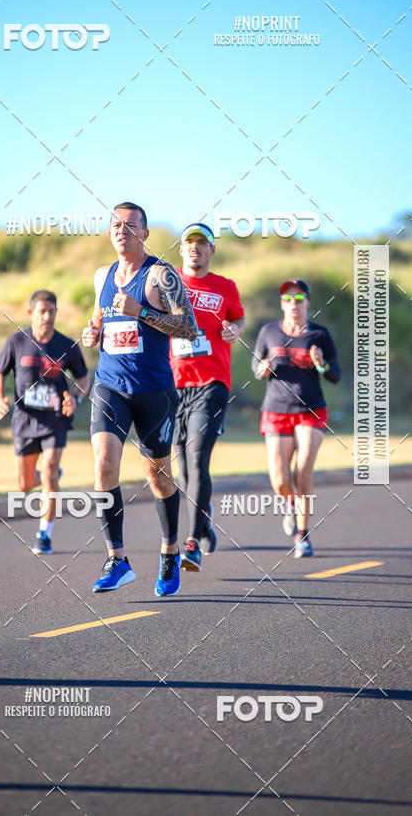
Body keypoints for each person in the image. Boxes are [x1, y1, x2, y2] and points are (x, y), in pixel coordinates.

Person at [81, 202, 197, 596]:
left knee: (158, 475)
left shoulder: (161, 276)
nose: (122, 230)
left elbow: (189, 327)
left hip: (153, 392)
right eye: (116, 224)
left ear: (145, 234)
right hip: (110, 385)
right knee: (103, 465)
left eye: (131, 225)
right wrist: (92, 333)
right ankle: (118, 559)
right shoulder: (102, 276)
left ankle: (168, 553)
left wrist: (142, 311)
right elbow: (99, 317)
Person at [170, 223, 245, 571]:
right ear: (181, 249)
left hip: (212, 382)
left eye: (202, 243)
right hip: (171, 386)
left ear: (212, 250)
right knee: (181, 471)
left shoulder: (225, 287)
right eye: (190, 243)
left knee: (198, 457)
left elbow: (239, 319)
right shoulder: (166, 282)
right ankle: (204, 518)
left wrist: (235, 330)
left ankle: (190, 542)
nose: (195, 248)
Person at [0, 290, 90, 554]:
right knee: (24, 484)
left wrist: (77, 400)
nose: (47, 316)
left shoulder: (66, 346)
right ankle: (53, 477)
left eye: (51, 311)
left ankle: (44, 534)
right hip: (24, 420)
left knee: (47, 472)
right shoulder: (16, 341)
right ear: (31, 313)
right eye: (42, 311)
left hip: (54, 420)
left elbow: (83, 380)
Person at [251, 279, 340, 557]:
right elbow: (256, 365)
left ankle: (303, 534)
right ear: (282, 303)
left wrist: (320, 363)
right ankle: (291, 505)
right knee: (279, 480)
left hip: (311, 410)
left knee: (303, 472)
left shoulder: (320, 335)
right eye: (288, 299)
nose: (294, 304)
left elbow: (335, 374)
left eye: (299, 298)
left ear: (308, 302)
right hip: (276, 409)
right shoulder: (269, 331)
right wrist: (262, 368)